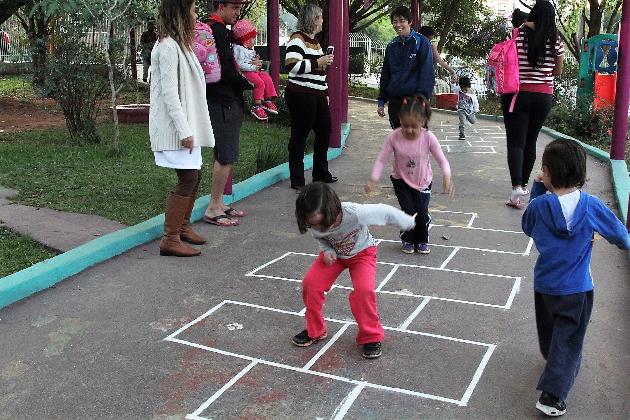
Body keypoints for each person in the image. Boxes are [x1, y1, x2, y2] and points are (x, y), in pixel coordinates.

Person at [522, 139, 630, 417]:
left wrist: (537, 189)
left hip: (545, 284)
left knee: (550, 331)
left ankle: (553, 360)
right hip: (576, 289)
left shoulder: (539, 206)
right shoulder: (591, 206)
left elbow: (528, 227)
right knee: (569, 340)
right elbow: (619, 234)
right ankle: (551, 395)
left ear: (547, 172)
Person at [293, 182, 418, 359]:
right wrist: (328, 251)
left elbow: (384, 211)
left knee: (364, 291)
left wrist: (407, 222)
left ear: (332, 211)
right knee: (310, 284)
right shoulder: (312, 221)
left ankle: (371, 336)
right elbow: (322, 240)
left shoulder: (355, 213)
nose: (317, 228)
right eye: (312, 224)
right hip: (335, 256)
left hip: (362, 254)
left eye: (320, 224)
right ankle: (316, 330)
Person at [149, 0, 214, 257]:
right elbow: (169, 94)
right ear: (180, 13)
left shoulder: (178, 45)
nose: (196, 14)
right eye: (192, 9)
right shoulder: (166, 47)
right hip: (175, 128)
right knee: (188, 177)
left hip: (186, 125)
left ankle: (183, 228)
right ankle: (170, 237)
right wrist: (184, 130)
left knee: (195, 175)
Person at [366, 95, 453, 255]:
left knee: (420, 210)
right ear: (399, 120)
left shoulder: (428, 138)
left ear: (423, 122)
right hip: (400, 180)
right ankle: (408, 238)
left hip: (423, 181)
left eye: (414, 126)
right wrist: (373, 179)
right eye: (405, 126)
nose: (409, 130)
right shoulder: (394, 136)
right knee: (407, 209)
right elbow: (381, 159)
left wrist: (447, 176)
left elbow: (442, 160)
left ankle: (422, 239)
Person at [503, 0, 564, 209]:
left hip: (519, 94)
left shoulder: (518, 34)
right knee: (530, 141)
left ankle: (516, 189)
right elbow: (558, 71)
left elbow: (509, 61)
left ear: (533, 15)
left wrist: (525, 25)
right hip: (544, 96)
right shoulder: (556, 38)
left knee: (516, 142)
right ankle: (525, 185)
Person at [203, 0, 252, 226]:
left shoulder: (214, 29)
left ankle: (220, 202)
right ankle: (214, 207)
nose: (237, 13)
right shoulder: (218, 31)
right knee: (225, 153)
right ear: (220, 7)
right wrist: (248, 83)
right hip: (223, 99)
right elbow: (225, 69)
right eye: (234, 8)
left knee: (227, 152)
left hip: (222, 98)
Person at [284, 3, 337, 191]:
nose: (323, 20)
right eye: (321, 17)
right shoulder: (297, 39)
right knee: (300, 135)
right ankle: (297, 180)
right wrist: (319, 61)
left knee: (325, 131)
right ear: (314, 19)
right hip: (301, 94)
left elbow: (318, 73)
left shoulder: (315, 42)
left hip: (317, 94)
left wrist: (326, 92)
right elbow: (291, 65)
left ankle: (321, 173)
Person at [377, 6, 434, 129]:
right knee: (399, 143)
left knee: (417, 142)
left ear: (410, 22)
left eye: (402, 21)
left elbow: (427, 73)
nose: (398, 25)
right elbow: (386, 74)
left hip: (414, 102)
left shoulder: (422, 42)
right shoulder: (391, 46)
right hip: (395, 101)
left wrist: (421, 100)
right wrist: (381, 101)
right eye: (395, 21)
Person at [231, 19, 278, 121]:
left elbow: (251, 60)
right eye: (252, 38)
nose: (254, 40)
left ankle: (267, 99)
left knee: (267, 77)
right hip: (246, 72)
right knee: (259, 83)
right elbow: (239, 64)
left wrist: (256, 59)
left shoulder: (248, 49)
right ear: (245, 40)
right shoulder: (238, 49)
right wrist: (252, 66)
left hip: (253, 71)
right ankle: (257, 105)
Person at [453, 76, 479, 140]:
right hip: (461, 109)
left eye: (465, 89)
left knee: (473, 121)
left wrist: (476, 110)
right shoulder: (459, 89)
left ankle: (467, 118)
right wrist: (453, 83)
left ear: (468, 86)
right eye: (462, 88)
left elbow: (475, 102)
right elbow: (453, 89)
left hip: (470, 111)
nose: (463, 90)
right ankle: (462, 134)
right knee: (462, 122)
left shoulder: (472, 93)